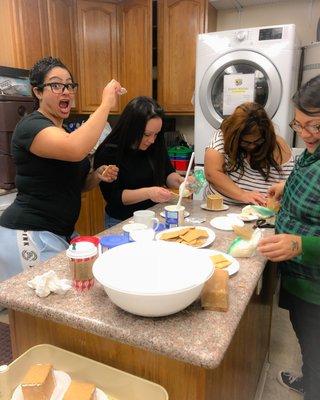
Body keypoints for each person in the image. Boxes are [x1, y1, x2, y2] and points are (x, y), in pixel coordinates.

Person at [0, 56, 121, 281]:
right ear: (37, 92)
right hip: (29, 232)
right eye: (56, 85)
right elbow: (75, 149)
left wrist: (96, 175)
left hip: (58, 232)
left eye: (69, 85)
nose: (66, 91)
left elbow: (76, 185)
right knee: (45, 309)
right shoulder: (31, 127)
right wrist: (105, 104)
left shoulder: (62, 132)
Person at [258, 75, 320, 400]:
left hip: (317, 287)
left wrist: (297, 243)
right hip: (300, 278)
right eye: (299, 125)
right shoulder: (312, 154)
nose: (306, 134)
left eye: (316, 126)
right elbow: (305, 173)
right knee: (308, 342)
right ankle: (310, 380)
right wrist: (287, 187)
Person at [94, 96, 188, 227]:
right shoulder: (109, 151)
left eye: (156, 134)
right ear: (132, 129)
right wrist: (149, 193)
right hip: (122, 221)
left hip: (153, 216)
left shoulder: (155, 144)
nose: (152, 140)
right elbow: (114, 197)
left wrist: (180, 181)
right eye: (147, 134)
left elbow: (167, 173)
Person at [204, 102, 294, 205]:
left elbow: (291, 182)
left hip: (264, 214)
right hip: (223, 210)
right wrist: (243, 195)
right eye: (245, 142)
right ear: (234, 136)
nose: (252, 146)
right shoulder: (221, 139)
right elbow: (212, 174)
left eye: (257, 141)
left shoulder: (278, 145)